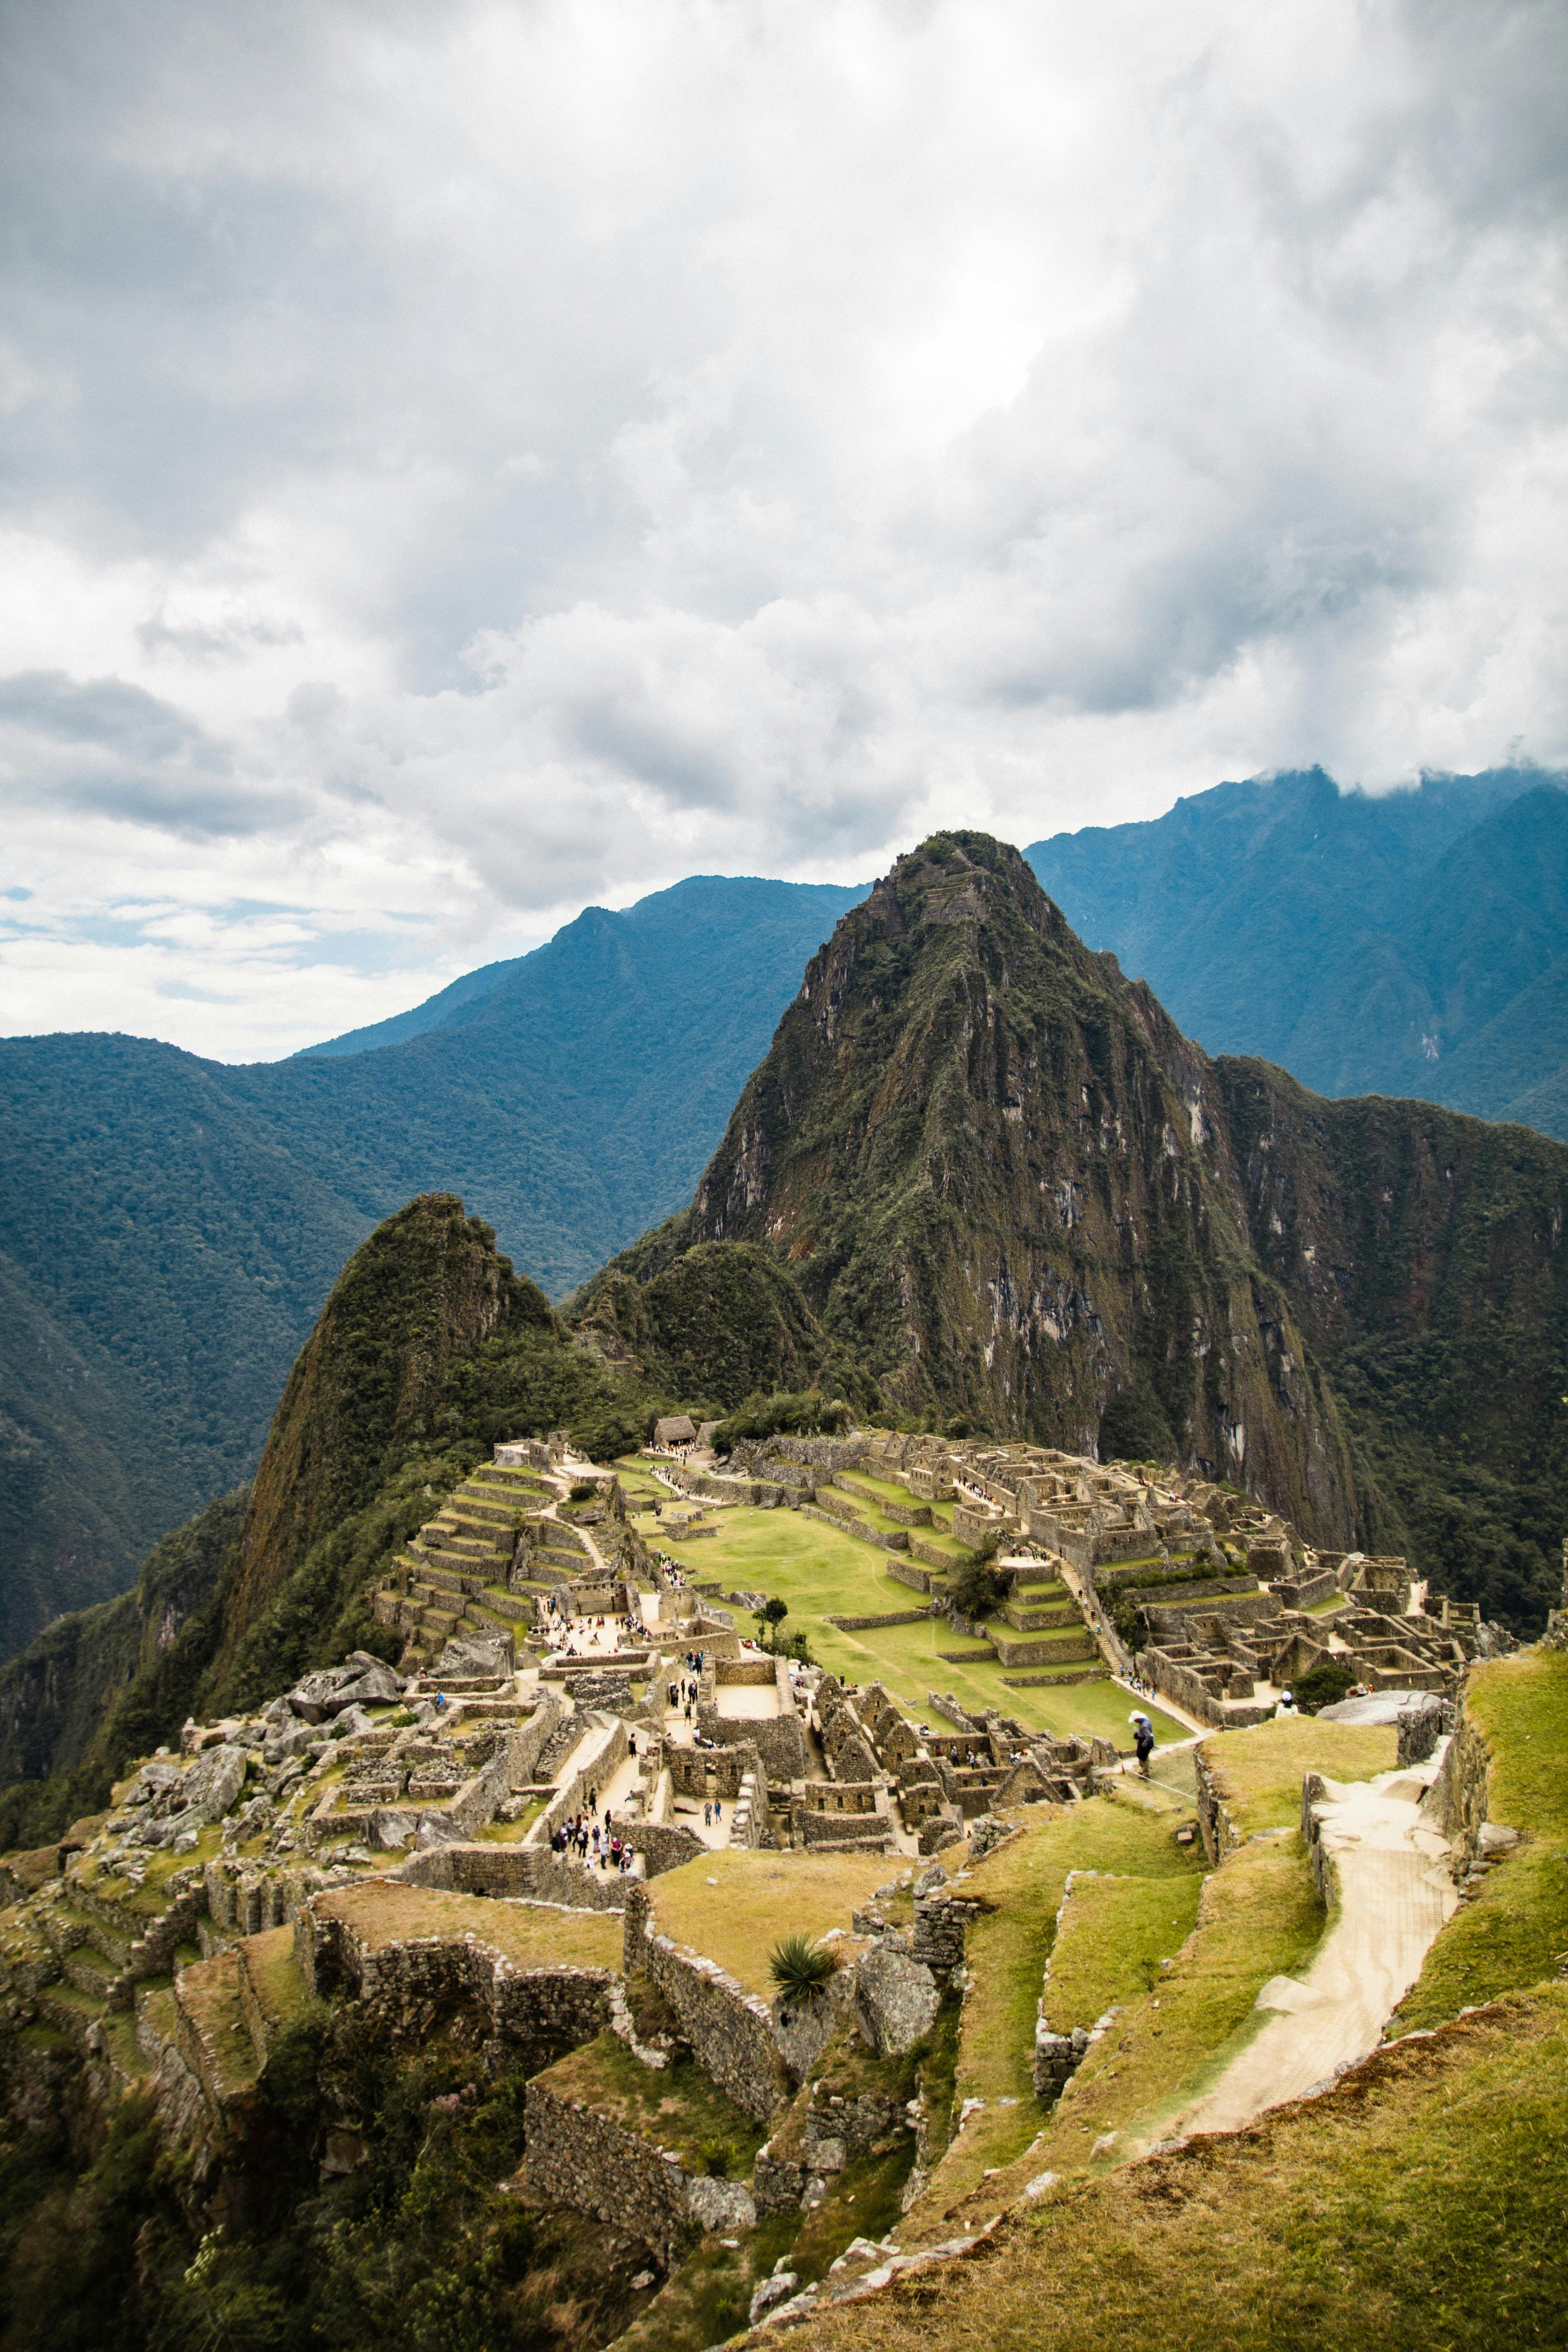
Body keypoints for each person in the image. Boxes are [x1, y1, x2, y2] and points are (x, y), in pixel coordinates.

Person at [1130, 1712, 1155, 1778]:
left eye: (1135, 1720)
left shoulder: (1144, 1726)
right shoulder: (1146, 1721)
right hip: (1147, 1742)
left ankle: (1146, 1775)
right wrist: (1139, 1733)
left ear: (1138, 1719)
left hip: (1145, 1743)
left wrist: (1144, 1744)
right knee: (1145, 1757)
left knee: (1142, 1758)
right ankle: (1144, 1770)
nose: (1135, 1721)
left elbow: (1148, 1736)